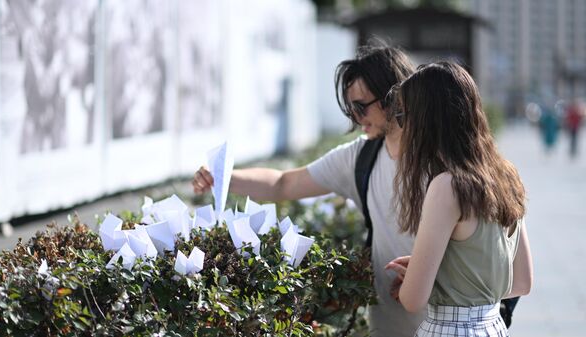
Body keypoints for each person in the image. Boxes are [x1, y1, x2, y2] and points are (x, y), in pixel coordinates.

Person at [192, 43, 425, 336]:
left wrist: (425, 270)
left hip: (450, 322)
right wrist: (222, 177)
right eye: (350, 108)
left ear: (394, 96)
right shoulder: (359, 158)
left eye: (360, 106)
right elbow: (283, 183)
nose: (355, 117)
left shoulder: (445, 158)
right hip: (388, 324)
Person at [385, 62, 533, 337]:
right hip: (492, 326)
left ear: (426, 122)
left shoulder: (448, 186)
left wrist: (415, 276)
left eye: (404, 117)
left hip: (449, 329)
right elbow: (522, 281)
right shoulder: (506, 175)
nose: (402, 128)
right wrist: (448, 272)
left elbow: (412, 299)